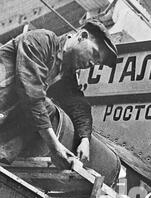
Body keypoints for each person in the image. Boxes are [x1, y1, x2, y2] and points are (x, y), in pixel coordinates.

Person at [0, 19, 117, 169]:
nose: (93, 63)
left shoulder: (64, 72)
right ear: (82, 36)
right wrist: (55, 146)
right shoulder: (42, 40)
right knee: (45, 107)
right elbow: (31, 94)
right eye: (94, 54)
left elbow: (79, 106)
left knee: (48, 110)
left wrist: (85, 139)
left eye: (98, 62)